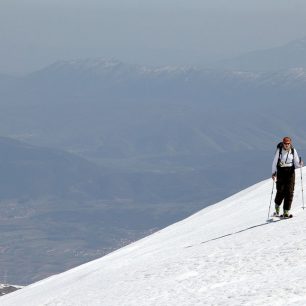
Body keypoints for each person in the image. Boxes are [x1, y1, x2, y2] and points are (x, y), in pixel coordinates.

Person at [272, 137, 303, 217]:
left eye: (288, 143)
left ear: (290, 143)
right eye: (285, 143)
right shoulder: (279, 151)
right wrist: (273, 173)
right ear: (283, 143)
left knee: (289, 191)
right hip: (281, 172)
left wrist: (300, 164)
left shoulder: (293, 150)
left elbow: (296, 163)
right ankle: (277, 206)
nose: (286, 145)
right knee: (281, 190)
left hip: (290, 172)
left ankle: (286, 211)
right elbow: (275, 162)